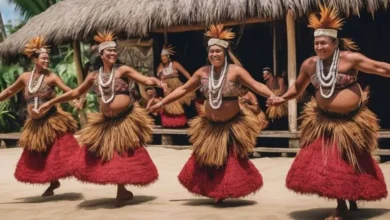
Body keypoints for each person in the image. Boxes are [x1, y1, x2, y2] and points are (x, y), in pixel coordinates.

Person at [269, 6, 388, 219]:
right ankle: (340, 204)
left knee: (350, 161)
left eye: (324, 42)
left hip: (351, 121)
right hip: (324, 120)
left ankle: (350, 197)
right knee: (332, 163)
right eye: (316, 43)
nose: (319, 46)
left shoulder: (350, 59)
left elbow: (381, 68)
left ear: (335, 43)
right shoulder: (309, 64)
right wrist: (281, 98)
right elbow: (297, 88)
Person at [149, 24, 280, 202]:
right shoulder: (203, 72)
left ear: (225, 52)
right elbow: (184, 89)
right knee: (208, 161)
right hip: (210, 125)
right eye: (211, 51)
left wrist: (272, 95)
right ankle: (216, 192)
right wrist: (162, 103)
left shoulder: (236, 71)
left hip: (233, 124)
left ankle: (226, 191)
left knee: (231, 161)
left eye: (218, 51)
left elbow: (256, 85)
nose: (214, 54)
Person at [37, 31, 166, 207]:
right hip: (105, 122)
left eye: (114, 50)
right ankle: (122, 190)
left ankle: (122, 191)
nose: (113, 54)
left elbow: (144, 78)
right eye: (109, 51)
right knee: (103, 155)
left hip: (125, 119)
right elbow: (75, 92)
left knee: (123, 154)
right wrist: (51, 101)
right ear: (101, 54)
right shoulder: (94, 76)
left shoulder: (123, 70)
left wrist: (157, 82)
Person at [0, 37, 80, 197]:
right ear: (34, 59)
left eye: (48, 59)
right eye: (43, 58)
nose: (47, 61)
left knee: (58, 151)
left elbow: (68, 91)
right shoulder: (25, 77)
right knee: (40, 153)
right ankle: (53, 181)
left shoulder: (52, 77)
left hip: (52, 120)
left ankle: (63, 176)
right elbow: (9, 91)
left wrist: (75, 101)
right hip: (35, 123)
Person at [157, 44, 194, 127]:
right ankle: (171, 123)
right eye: (162, 56)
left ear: (168, 56)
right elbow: (160, 77)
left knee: (179, 105)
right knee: (171, 107)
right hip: (167, 90)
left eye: (165, 56)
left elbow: (186, 73)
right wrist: (170, 75)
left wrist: (192, 83)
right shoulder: (160, 66)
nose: (163, 58)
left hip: (177, 88)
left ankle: (181, 122)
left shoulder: (175, 64)